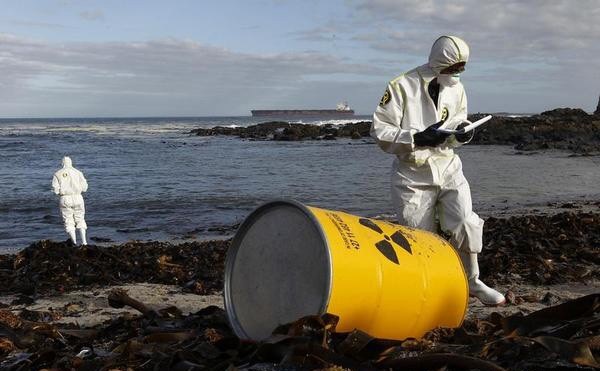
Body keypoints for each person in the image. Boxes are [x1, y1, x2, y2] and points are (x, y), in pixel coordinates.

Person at [370, 35, 505, 306]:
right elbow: (380, 131)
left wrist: (462, 135)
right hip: (413, 173)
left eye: (461, 67)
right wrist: (417, 138)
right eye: (454, 68)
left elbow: (457, 124)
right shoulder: (401, 86)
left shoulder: (457, 88)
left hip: (448, 165)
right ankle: (429, 285)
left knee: (465, 221)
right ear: (438, 63)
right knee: (419, 234)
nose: (458, 73)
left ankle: (473, 281)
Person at [52, 156, 88, 245]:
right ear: (71, 162)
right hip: (78, 197)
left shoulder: (57, 174)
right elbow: (85, 188)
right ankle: (84, 242)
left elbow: (55, 190)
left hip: (65, 198)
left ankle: (74, 243)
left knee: (68, 220)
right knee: (80, 219)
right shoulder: (78, 172)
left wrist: (59, 192)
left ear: (62, 163)